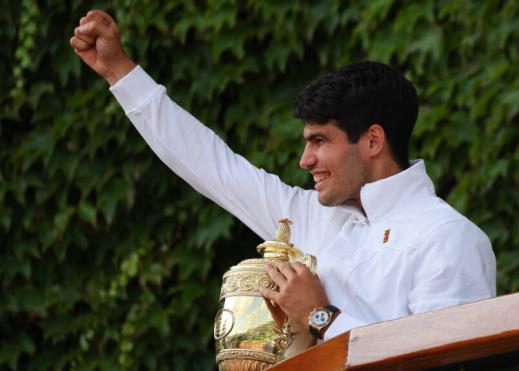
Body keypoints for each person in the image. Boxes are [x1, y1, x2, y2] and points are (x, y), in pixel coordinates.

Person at [70, 10, 496, 343]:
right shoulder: (308, 216)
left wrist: (321, 317)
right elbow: (210, 164)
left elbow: (441, 364)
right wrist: (119, 73)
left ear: (372, 141)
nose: (304, 160)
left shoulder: (449, 239)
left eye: (320, 141)